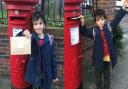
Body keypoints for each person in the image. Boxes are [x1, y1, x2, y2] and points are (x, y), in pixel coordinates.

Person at [79, 0, 128, 89]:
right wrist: (82, 23)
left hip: (107, 58)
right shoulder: (94, 31)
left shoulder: (109, 27)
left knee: (107, 76)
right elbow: (84, 32)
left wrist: (123, 8)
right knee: (98, 77)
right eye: (98, 20)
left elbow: (117, 19)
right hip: (98, 59)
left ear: (105, 19)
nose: (100, 22)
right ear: (95, 22)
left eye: (102, 19)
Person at [18, 11, 58, 89]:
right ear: (33, 26)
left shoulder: (49, 40)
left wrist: (55, 75)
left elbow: (53, 59)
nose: (38, 26)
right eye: (35, 24)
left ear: (44, 24)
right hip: (35, 75)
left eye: (40, 23)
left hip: (46, 74)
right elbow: (16, 40)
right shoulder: (30, 38)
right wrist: (22, 33)